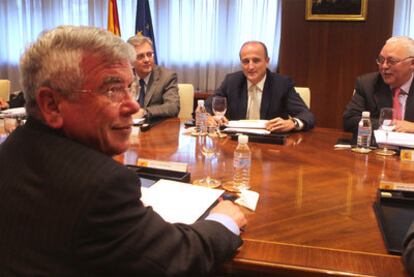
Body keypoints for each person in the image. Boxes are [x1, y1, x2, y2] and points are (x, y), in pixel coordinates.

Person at [0, 25, 247, 275]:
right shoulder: (101, 186)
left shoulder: (13, 148)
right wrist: (223, 221)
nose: (131, 106)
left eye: (130, 88)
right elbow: (178, 258)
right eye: (113, 90)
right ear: (51, 105)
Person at [206, 41, 315, 132]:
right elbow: (206, 107)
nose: (250, 66)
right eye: (245, 61)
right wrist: (208, 117)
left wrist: (292, 123)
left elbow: (306, 115)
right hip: (236, 143)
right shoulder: (231, 81)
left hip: (271, 145)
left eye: (256, 60)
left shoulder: (282, 84)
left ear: (267, 61)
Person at [343, 36, 414, 135]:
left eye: (392, 61)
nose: (384, 66)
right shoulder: (367, 84)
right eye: (381, 60)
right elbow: (350, 120)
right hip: (378, 148)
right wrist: (390, 126)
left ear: (412, 63)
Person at [127, 35, 179, 119]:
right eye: (140, 56)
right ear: (131, 60)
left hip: (157, 127)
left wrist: (144, 112)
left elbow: (172, 107)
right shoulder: (125, 77)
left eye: (149, 54)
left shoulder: (167, 76)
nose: (147, 60)